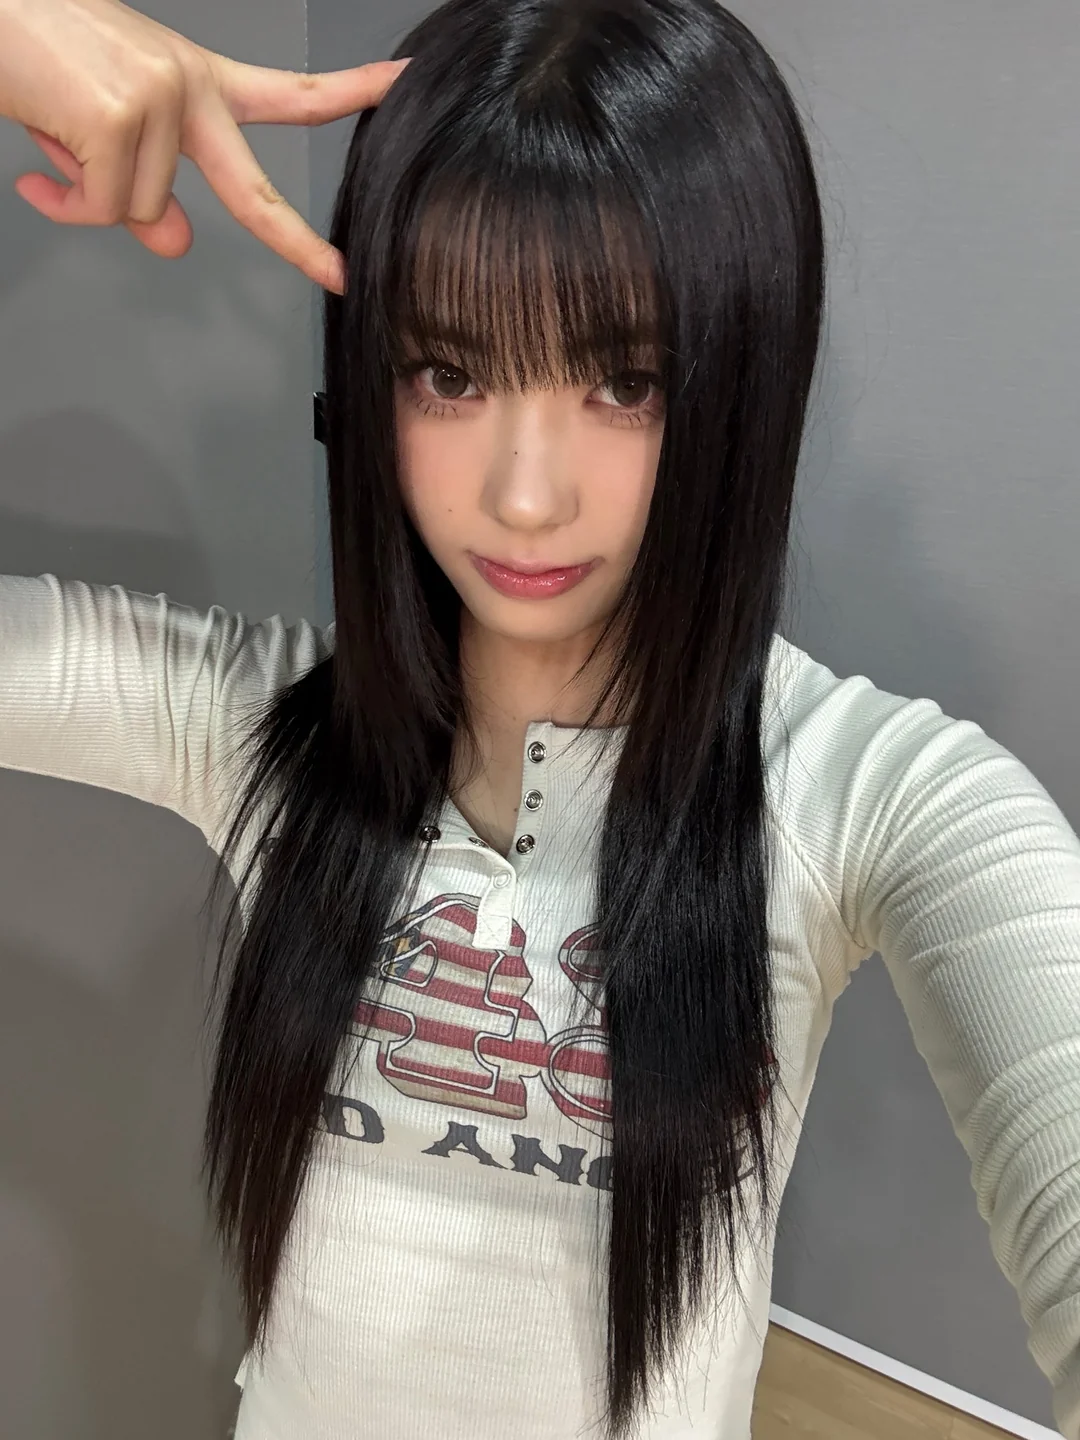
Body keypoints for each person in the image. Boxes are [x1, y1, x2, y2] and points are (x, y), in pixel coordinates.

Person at [2, 2, 1080, 1439]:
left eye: (625, 381)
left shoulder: (863, 793)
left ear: (740, 385)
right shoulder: (259, 727)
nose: (523, 496)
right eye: (449, 373)